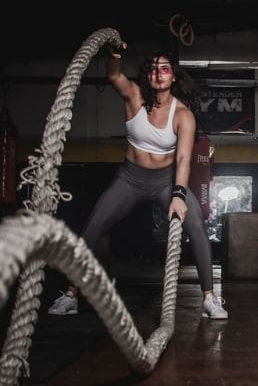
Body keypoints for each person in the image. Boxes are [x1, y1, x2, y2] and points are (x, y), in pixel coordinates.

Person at [48, 44, 228, 319]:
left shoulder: (182, 115)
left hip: (167, 181)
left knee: (197, 226)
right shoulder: (133, 95)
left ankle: (209, 299)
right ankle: (71, 295)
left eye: (165, 69)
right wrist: (115, 55)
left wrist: (179, 194)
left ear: (174, 77)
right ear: (148, 75)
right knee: (94, 225)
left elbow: (183, 160)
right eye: (153, 68)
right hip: (130, 178)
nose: (158, 73)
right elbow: (113, 76)